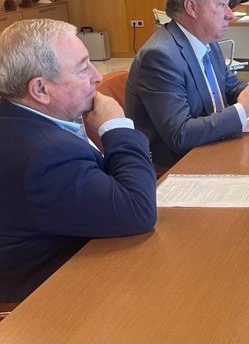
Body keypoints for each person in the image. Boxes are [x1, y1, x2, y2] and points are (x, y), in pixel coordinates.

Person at [0, 19, 157, 304]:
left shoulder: (18, 116)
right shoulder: (44, 157)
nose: (97, 76)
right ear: (40, 89)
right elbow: (138, 212)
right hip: (50, 298)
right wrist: (117, 126)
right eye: (84, 67)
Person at [126, 0, 249, 168]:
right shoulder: (159, 56)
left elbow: (230, 88)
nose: (230, 14)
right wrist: (242, 110)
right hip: (179, 165)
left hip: (212, 147)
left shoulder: (208, 42)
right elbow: (180, 135)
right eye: (221, 5)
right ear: (192, 7)